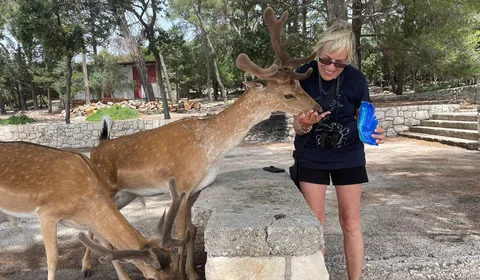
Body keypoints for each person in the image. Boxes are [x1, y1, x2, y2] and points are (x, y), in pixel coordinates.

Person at [292, 20, 386, 280]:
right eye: (326, 59)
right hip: (312, 155)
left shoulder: (357, 79)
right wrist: (304, 124)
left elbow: (365, 118)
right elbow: (296, 126)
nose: (331, 67)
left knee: (351, 222)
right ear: (318, 52)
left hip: (349, 155)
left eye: (340, 63)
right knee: (316, 225)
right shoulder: (303, 74)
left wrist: (374, 131)